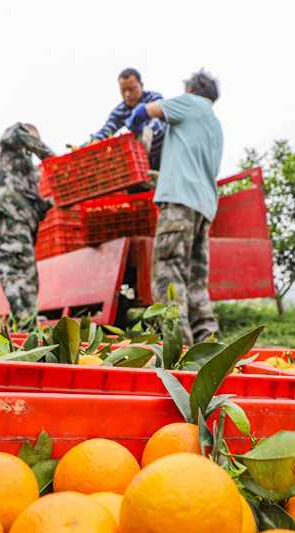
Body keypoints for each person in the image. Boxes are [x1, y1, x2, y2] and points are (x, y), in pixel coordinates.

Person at [125, 70, 223, 346]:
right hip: (204, 208)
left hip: (179, 203)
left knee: (168, 276)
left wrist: (134, 127)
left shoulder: (190, 103)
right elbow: (192, 166)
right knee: (195, 283)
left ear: (191, 89)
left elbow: (145, 111)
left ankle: (178, 351)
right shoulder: (214, 124)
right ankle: (207, 349)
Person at [0, 122, 55, 330]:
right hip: (9, 214)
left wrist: (55, 202)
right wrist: (52, 158)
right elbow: (18, 134)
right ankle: (26, 330)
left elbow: (35, 202)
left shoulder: (27, 169)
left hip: (21, 219)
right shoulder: (10, 142)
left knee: (28, 276)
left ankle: (27, 328)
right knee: (18, 274)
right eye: (33, 138)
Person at [92, 68, 167, 171]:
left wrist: (149, 130)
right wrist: (94, 142)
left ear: (141, 86)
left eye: (131, 89)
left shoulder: (153, 98)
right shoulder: (120, 111)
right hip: (146, 159)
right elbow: (107, 129)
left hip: (166, 152)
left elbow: (160, 119)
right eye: (123, 90)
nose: (127, 94)